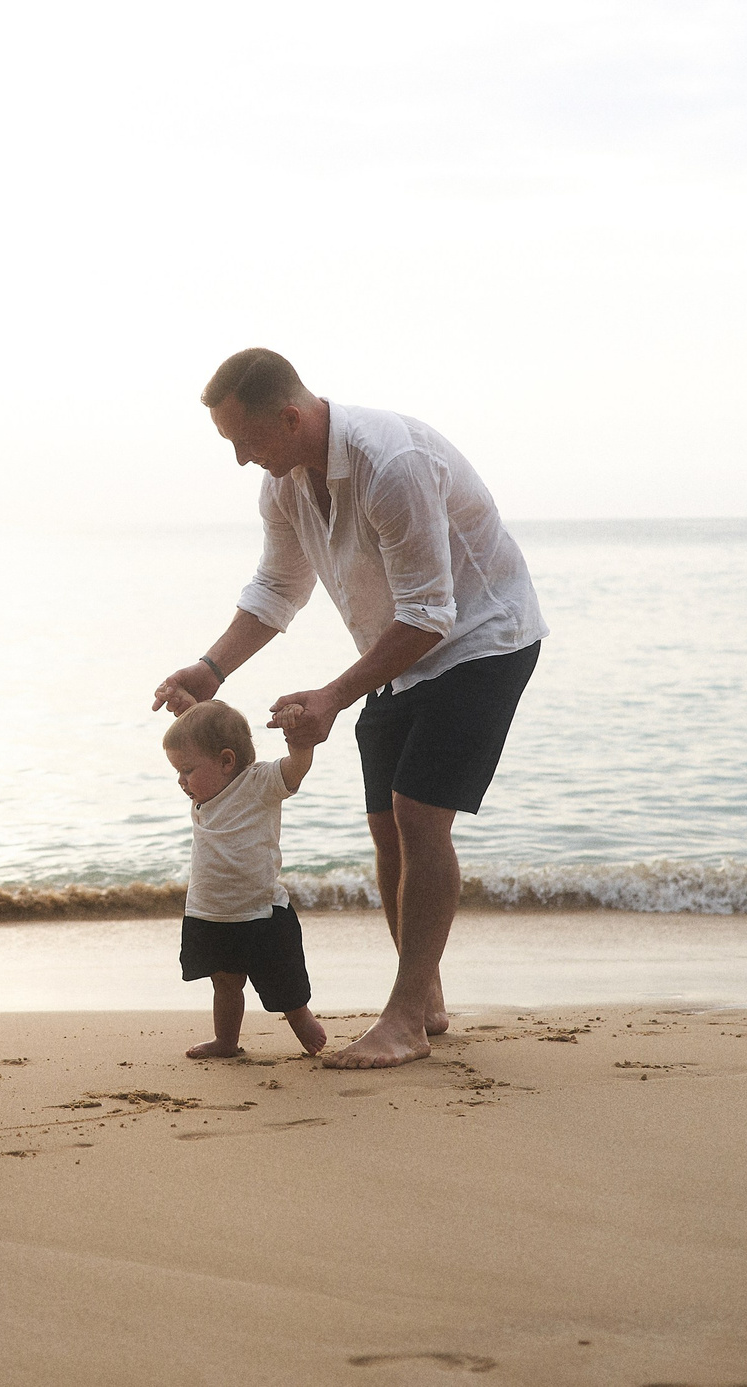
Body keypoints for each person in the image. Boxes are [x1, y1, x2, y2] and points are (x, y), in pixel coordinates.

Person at [153, 348, 545, 1070]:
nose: (240, 458)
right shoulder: (283, 485)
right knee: (385, 825)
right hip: (397, 652)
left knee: (419, 814)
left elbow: (431, 613)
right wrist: (210, 670)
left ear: (290, 417)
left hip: (481, 639)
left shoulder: (389, 462)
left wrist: (333, 696)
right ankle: (425, 998)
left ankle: (404, 1019)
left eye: (246, 439)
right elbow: (278, 588)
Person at [164, 699, 327, 1060]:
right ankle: (226, 1041)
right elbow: (206, 730)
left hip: (260, 912)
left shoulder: (258, 783)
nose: (181, 780)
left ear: (227, 761)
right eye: (178, 771)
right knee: (224, 982)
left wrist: (299, 742)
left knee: (282, 978)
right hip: (209, 912)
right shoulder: (205, 792)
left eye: (187, 770)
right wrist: (189, 705)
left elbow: (295, 769)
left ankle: (300, 1019)